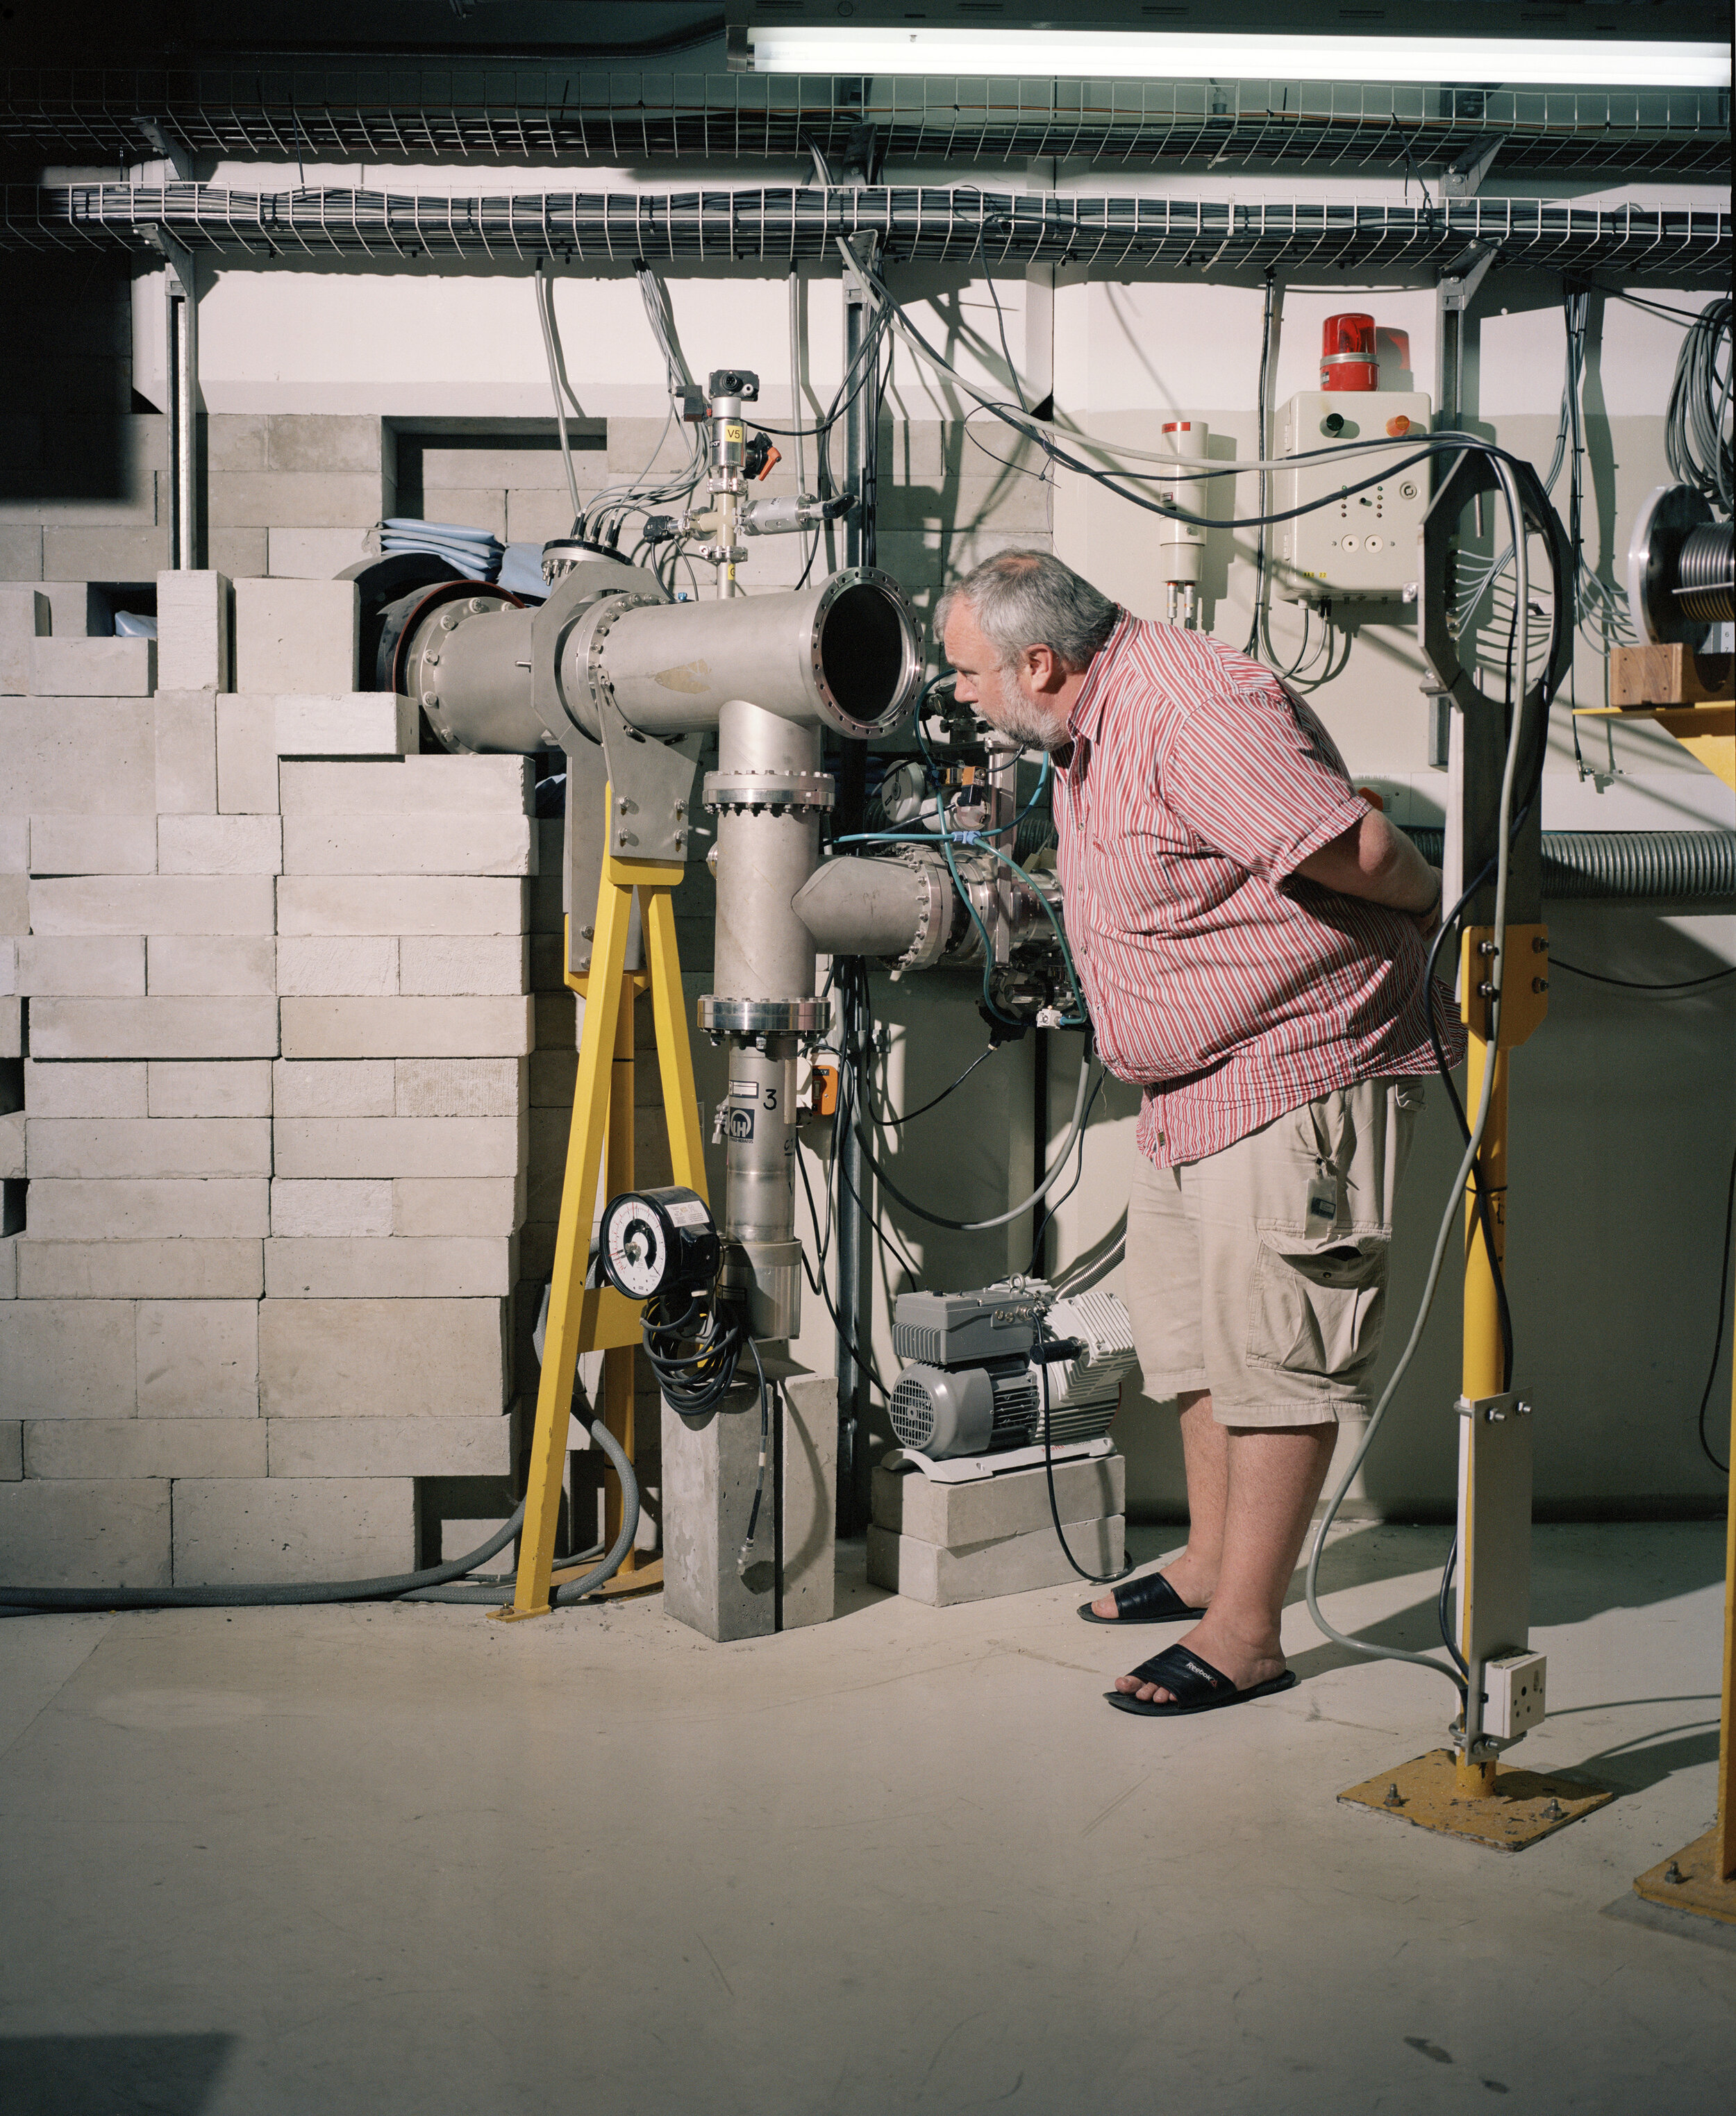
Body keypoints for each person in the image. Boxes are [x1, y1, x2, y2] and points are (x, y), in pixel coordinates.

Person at [935, 550, 1458, 1719]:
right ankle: (1212, 1566)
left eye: (970, 672)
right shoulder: (1092, 723)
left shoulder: (1191, 709)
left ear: (1039, 661)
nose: (958, 692)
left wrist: (1429, 904)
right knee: (1193, 1343)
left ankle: (1248, 1634)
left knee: (1276, 1354)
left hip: (1298, 1066)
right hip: (1193, 1084)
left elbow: (1363, 853)